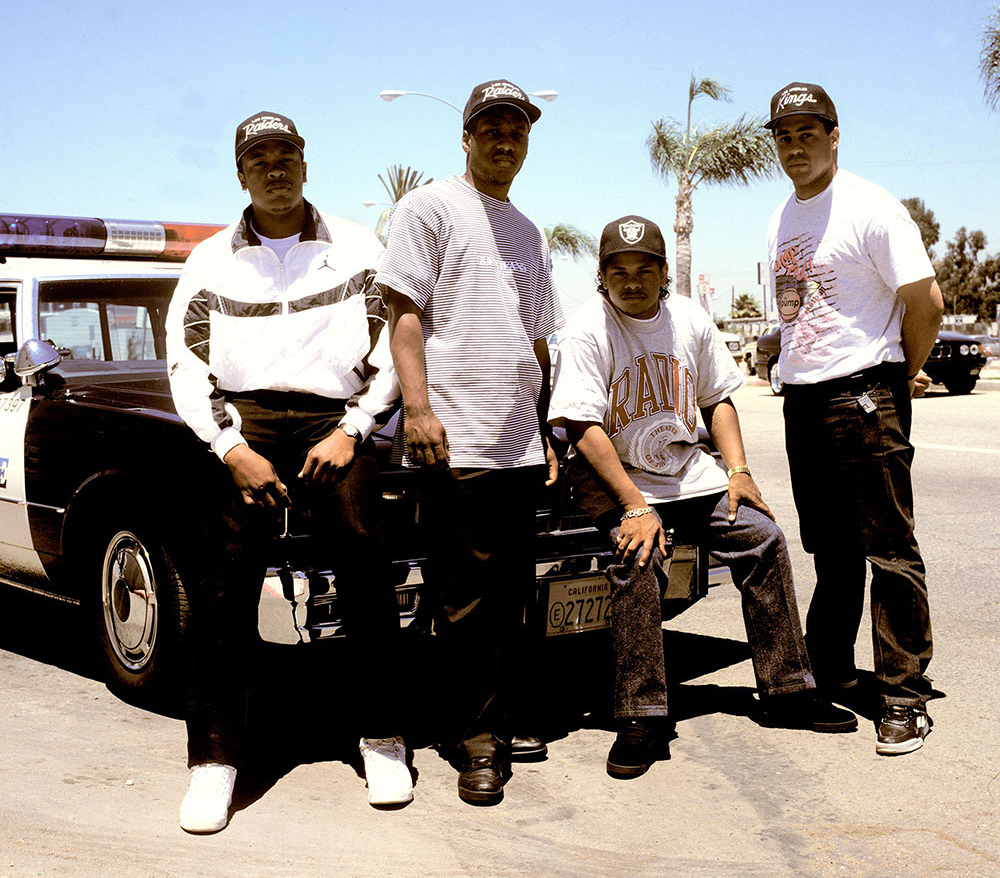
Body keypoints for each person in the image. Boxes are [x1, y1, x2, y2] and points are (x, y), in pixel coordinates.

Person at [166, 111, 411, 833]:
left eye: (286, 155)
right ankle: (214, 763)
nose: (275, 169)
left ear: (306, 163)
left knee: (368, 558)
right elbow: (185, 363)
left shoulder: (359, 246)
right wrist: (230, 448)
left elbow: (391, 346)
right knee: (223, 583)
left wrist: (354, 430)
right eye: (259, 159)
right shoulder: (210, 261)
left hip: (333, 419)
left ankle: (382, 739)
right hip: (244, 421)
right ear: (241, 174)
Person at [548, 216, 857, 779]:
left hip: (690, 472)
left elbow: (717, 401)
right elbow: (585, 427)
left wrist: (737, 469)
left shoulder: (688, 318)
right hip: (622, 479)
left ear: (664, 273)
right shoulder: (586, 331)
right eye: (619, 271)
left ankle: (787, 688)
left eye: (646, 270)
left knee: (763, 539)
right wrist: (634, 506)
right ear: (601, 276)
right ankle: (641, 713)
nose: (633, 281)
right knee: (636, 558)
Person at [376, 80, 563, 805]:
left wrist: (548, 427)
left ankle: (498, 717)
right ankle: (476, 742)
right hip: (455, 439)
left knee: (513, 594)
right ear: (466, 136)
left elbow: (539, 341)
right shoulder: (427, 208)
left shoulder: (529, 230)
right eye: (491, 125)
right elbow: (404, 314)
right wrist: (418, 410)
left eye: (516, 126)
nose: (504, 136)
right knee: (462, 602)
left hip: (518, 441)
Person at [765, 82, 944, 755]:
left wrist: (897, 372)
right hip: (804, 398)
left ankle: (903, 695)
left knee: (889, 549)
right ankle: (832, 668)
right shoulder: (783, 214)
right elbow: (793, 308)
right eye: (784, 135)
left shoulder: (871, 207)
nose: (795, 145)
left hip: (865, 395)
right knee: (831, 551)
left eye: (808, 132)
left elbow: (925, 298)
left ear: (835, 136)